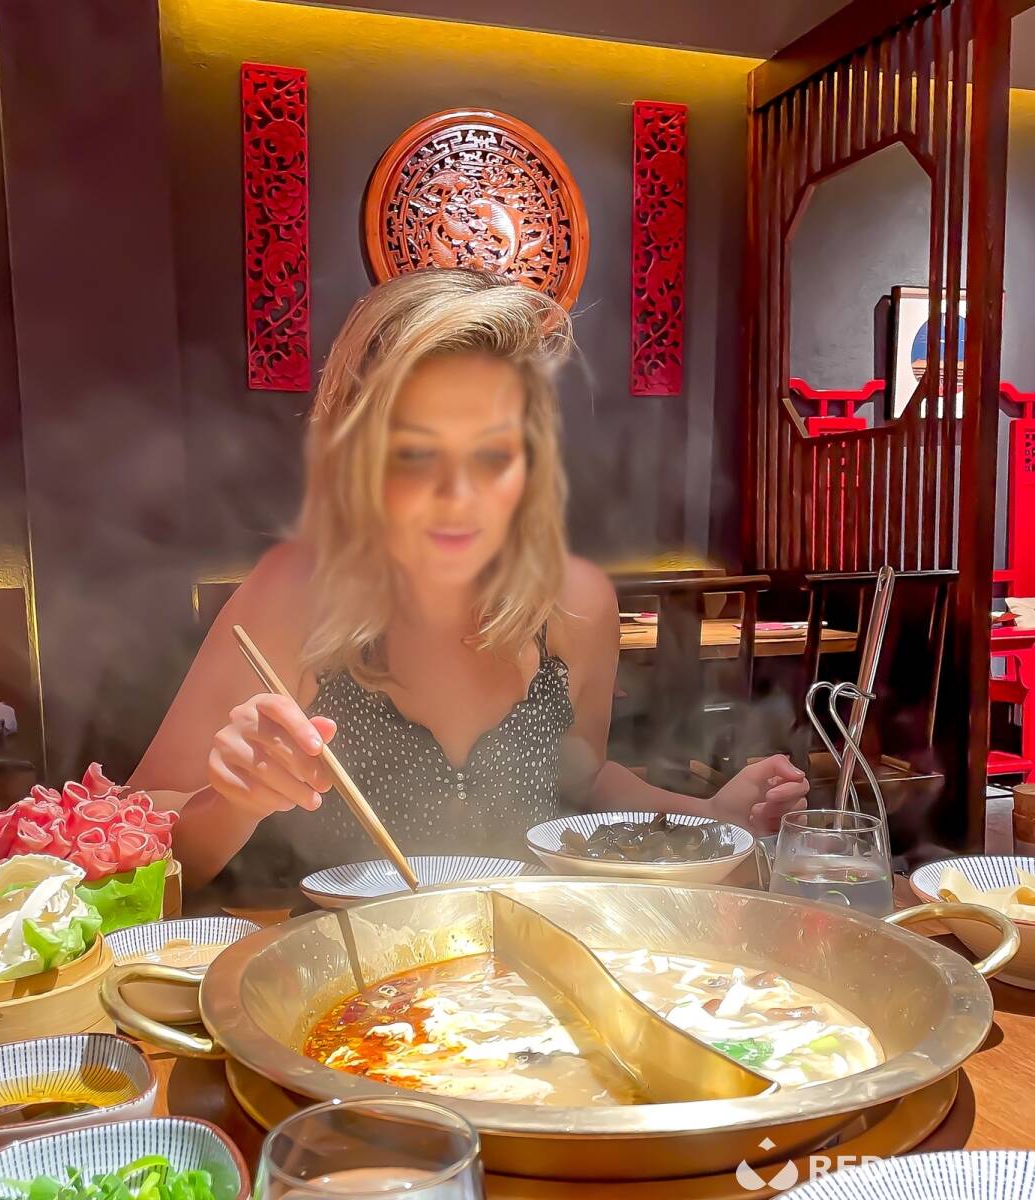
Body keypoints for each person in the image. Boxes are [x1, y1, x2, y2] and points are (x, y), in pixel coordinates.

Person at [131, 268, 807, 890]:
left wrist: (708, 815)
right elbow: (140, 841)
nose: (458, 495)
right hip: (343, 969)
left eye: (493, 452)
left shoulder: (576, 603)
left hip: (525, 963)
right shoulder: (297, 593)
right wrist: (233, 803)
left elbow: (582, 777)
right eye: (414, 453)